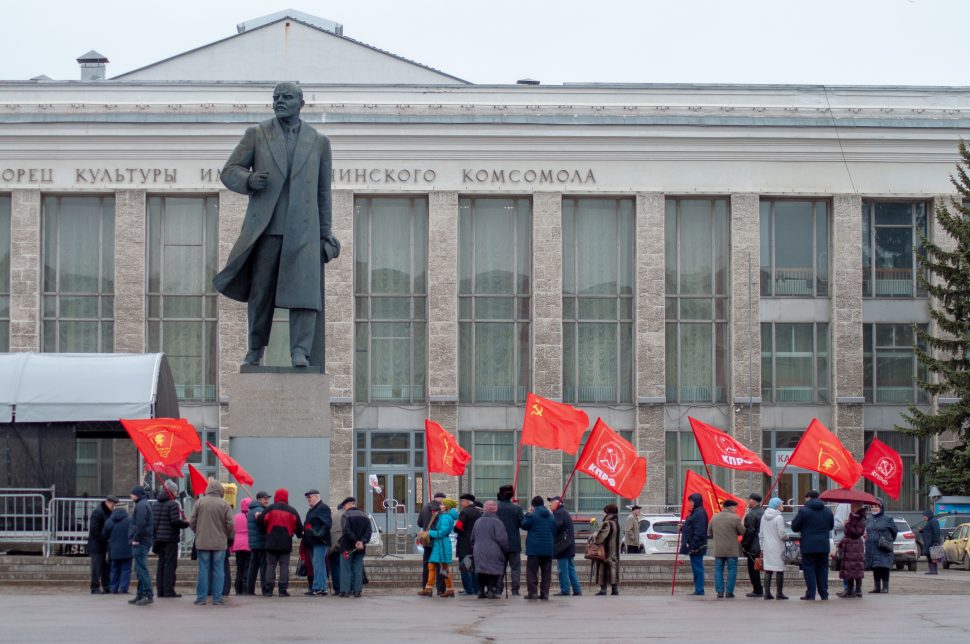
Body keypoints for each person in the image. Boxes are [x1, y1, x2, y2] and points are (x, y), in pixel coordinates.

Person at [214, 81, 335, 368]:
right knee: (261, 294)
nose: (280, 101)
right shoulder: (257, 134)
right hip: (267, 229)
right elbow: (229, 171)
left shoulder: (318, 142)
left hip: (304, 231)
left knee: (305, 294)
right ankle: (255, 349)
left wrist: (325, 233)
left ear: (301, 103)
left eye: (287, 97)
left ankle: (300, 352)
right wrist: (248, 180)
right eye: (276, 97)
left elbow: (323, 193)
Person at [190, 480, 234, 606]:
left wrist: (198, 532)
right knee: (219, 570)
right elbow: (230, 524)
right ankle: (217, 598)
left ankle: (201, 598)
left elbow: (192, 521)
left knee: (203, 570)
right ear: (220, 490)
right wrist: (226, 535)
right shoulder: (224, 504)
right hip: (220, 543)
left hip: (202, 542)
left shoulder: (200, 502)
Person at [259, 488, 303, 597]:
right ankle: (282, 590)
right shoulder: (292, 511)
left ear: (275, 497)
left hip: (271, 542)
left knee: (270, 566)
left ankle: (268, 590)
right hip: (285, 543)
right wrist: (297, 534)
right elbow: (299, 528)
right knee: (284, 566)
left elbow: (260, 521)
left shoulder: (270, 509)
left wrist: (265, 530)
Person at [790, 489, 834, 601]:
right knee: (823, 569)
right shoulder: (828, 511)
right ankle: (824, 594)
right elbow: (831, 526)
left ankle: (811, 593)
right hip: (823, 545)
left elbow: (794, 527)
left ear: (808, 497)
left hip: (808, 545)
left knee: (809, 569)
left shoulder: (804, 510)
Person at [153, 480, 188, 598]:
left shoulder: (156, 504)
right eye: (176, 490)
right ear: (172, 491)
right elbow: (174, 522)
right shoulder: (173, 504)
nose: (177, 492)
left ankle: (160, 590)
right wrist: (185, 523)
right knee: (170, 565)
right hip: (170, 539)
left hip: (159, 538)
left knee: (161, 564)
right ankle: (168, 590)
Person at [470, 500, 509, 599]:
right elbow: (502, 539)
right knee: (493, 571)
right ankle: (491, 590)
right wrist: (506, 550)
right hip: (494, 550)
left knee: (481, 570)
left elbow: (472, 538)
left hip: (478, 550)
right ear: (495, 510)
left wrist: (474, 548)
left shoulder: (478, 521)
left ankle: (481, 591)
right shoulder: (497, 522)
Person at [521, 495, 556, 600]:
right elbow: (554, 530)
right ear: (543, 504)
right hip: (548, 548)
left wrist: (528, 513)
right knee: (546, 572)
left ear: (533, 505)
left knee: (532, 571)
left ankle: (533, 593)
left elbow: (523, 525)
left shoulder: (532, 515)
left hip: (534, 548)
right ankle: (545, 593)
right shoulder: (551, 516)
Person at [709, 498, 744, 598]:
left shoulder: (714, 517)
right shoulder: (735, 518)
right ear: (731, 507)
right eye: (735, 508)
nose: (736, 510)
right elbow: (742, 531)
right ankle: (729, 592)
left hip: (718, 549)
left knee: (718, 569)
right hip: (732, 549)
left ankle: (719, 592)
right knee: (732, 569)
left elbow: (709, 532)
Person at [338, 497, 372, 598]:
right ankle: (357, 591)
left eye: (344, 506)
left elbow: (346, 530)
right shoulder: (365, 516)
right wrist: (362, 541)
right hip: (361, 548)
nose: (344, 509)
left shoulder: (346, 515)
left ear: (348, 505)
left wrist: (355, 541)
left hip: (347, 547)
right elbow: (369, 532)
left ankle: (345, 591)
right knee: (358, 568)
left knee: (345, 568)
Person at [127, 486, 154, 606]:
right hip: (143, 541)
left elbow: (140, 524)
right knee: (139, 569)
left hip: (141, 542)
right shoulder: (143, 504)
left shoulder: (141, 506)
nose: (130, 496)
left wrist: (136, 539)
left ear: (137, 494)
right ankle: (140, 594)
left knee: (141, 569)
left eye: (132, 494)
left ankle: (147, 594)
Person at [864, 498, 898, 593]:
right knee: (876, 567)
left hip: (883, 548)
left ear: (881, 507)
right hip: (871, 547)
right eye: (872, 507)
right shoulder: (869, 519)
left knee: (884, 567)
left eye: (876, 507)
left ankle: (885, 587)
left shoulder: (888, 519)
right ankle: (877, 587)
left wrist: (888, 541)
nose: (874, 508)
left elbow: (894, 531)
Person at [303, 489, 332, 596]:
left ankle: (318, 587)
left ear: (316, 496)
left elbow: (327, 523)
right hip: (313, 541)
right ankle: (320, 587)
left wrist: (319, 533)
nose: (308, 500)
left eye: (310, 497)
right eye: (307, 498)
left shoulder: (322, 508)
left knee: (318, 564)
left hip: (319, 541)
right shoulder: (313, 509)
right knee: (318, 564)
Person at [550, 495, 581, 597]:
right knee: (571, 569)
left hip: (562, 546)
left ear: (557, 503)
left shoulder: (559, 513)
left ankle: (565, 590)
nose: (550, 504)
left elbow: (556, 526)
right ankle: (577, 590)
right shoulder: (564, 512)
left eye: (551, 502)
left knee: (563, 570)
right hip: (568, 545)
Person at [427, 498, 458, 597]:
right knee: (432, 565)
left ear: (447, 507)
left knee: (443, 567)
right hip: (440, 543)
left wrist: (430, 533)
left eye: (442, 504)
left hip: (442, 543)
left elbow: (442, 532)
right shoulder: (444, 516)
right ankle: (429, 587)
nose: (440, 506)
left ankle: (449, 589)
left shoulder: (446, 518)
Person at [496, 484, 524, 596]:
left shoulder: (496, 508)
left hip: (499, 543)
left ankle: (498, 589)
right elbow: (522, 524)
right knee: (515, 569)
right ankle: (515, 590)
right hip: (514, 543)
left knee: (499, 569)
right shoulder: (517, 508)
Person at [759, 497, 788, 600]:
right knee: (779, 570)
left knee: (768, 569)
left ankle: (767, 593)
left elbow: (761, 534)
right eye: (781, 504)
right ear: (777, 506)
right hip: (777, 546)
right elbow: (781, 534)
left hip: (767, 546)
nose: (782, 506)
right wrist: (787, 537)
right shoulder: (779, 518)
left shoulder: (764, 517)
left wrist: (762, 547)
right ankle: (779, 593)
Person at [417, 492, 448, 593]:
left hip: (427, 541)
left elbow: (419, 523)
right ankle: (441, 589)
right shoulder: (443, 510)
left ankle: (426, 588)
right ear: (442, 499)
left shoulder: (425, 507)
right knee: (441, 566)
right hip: (438, 541)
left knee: (427, 566)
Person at [86, 494, 116, 594]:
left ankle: (106, 587)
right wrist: (104, 538)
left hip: (102, 545)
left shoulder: (107, 512)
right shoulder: (98, 512)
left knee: (104, 567)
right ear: (108, 502)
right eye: (113, 504)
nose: (114, 506)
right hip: (97, 545)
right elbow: (94, 530)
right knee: (97, 568)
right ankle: (94, 587)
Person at [680, 492, 708, 596]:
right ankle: (698, 588)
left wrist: (694, 545)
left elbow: (699, 531)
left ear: (696, 501)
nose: (690, 503)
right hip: (694, 545)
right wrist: (683, 528)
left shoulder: (699, 513)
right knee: (696, 567)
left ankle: (699, 589)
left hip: (697, 546)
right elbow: (691, 526)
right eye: (690, 501)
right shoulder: (695, 512)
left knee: (697, 568)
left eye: (692, 501)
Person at [836, 502, 866, 598]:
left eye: (853, 506)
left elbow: (858, 533)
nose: (852, 507)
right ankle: (849, 589)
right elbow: (847, 534)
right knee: (848, 568)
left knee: (856, 568)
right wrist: (840, 544)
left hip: (856, 546)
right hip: (849, 546)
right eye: (851, 506)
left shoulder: (861, 518)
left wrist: (847, 525)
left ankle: (858, 590)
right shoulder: (852, 517)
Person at [455, 493, 482, 596]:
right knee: (474, 568)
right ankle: (476, 589)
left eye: (462, 501)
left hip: (464, 543)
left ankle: (468, 589)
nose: (461, 503)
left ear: (467, 502)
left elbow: (458, 527)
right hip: (475, 543)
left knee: (465, 568)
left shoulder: (464, 513)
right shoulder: (477, 512)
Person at [591, 503, 621, 596]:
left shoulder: (607, 523)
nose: (603, 514)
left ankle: (603, 589)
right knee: (613, 568)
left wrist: (595, 537)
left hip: (606, 551)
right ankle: (614, 589)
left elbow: (600, 537)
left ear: (608, 513)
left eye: (604, 512)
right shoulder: (616, 522)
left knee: (603, 568)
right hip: (614, 551)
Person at [102, 502, 132, 594]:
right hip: (127, 550)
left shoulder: (109, 521)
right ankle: (123, 588)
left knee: (114, 569)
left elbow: (104, 535)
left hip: (114, 551)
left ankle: (113, 588)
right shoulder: (129, 521)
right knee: (126, 570)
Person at [245, 491, 271, 595]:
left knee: (253, 567)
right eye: (265, 499)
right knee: (263, 567)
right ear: (259, 499)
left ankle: (249, 590)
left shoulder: (251, 510)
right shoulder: (260, 510)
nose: (267, 501)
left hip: (253, 543)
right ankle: (265, 590)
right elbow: (263, 526)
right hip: (261, 542)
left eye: (267, 498)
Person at [741, 493, 764, 597]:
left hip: (753, 545)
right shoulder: (763, 512)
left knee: (753, 568)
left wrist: (744, 544)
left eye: (749, 499)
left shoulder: (752, 514)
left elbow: (750, 531)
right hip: (762, 543)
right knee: (759, 567)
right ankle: (759, 589)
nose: (747, 501)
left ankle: (757, 589)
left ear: (753, 501)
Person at [230, 497, 252, 596]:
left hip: (237, 544)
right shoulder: (251, 516)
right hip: (248, 545)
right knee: (247, 567)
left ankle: (237, 588)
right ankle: (245, 588)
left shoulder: (236, 516)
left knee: (239, 567)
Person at [328, 498, 346, 593]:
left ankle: (337, 588)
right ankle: (346, 587)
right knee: (346, 567)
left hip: (333, 545)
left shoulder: (332, 516)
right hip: (345, 545)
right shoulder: (347, 515)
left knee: (335, 567)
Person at [919, 509, 942, 575]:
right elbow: (928, 530)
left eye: (924, 516)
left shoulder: (933, 521)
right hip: (929, 542)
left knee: (932, 556)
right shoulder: (930, 521)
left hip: (932, 542)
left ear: (928, 515)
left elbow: (936, 532)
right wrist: (921, 530)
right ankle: (932, 570)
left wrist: (936, 541)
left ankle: (933, 570)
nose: (923, 517)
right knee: (930, 556)